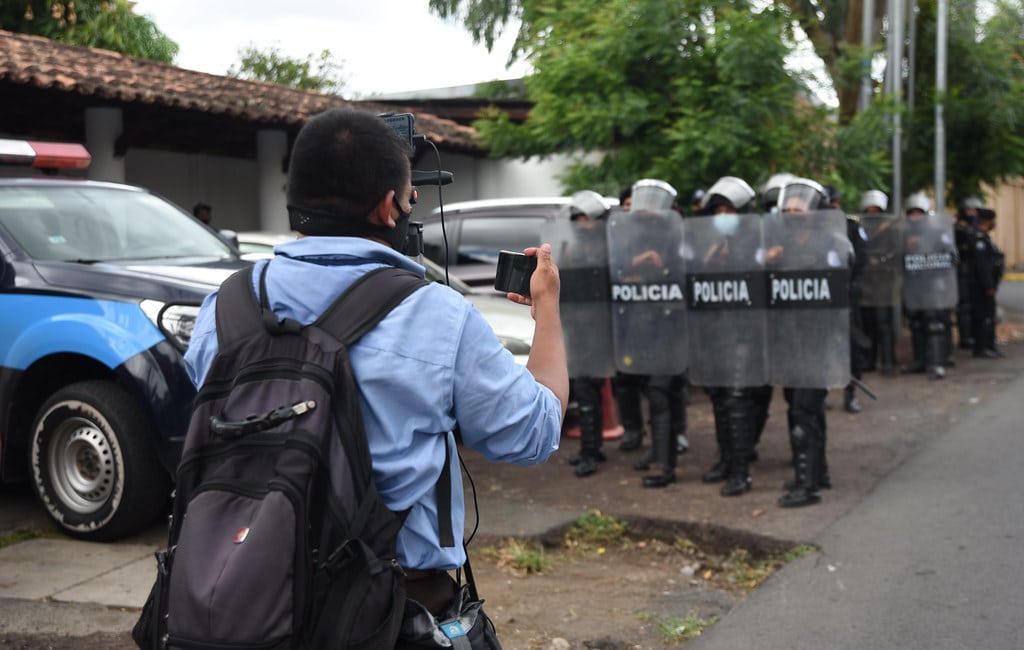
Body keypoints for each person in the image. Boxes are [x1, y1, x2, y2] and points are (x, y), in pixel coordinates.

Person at [183, 107, 568, 634]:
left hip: (244, 601)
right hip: (387, 612)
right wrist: (547, 310)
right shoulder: (437, 315)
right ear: (391, 207)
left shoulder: (224, 307)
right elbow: (535, 432)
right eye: (412, 196)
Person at [693, 175, 761, 496]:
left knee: (737, 400)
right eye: (717, 211)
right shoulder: (707, 245)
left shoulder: (758, 244)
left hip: (744, 334)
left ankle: (741, 470)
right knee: (719, 398)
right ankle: (725, 460)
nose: (722, 217)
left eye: (729, 211)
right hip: (714, 332)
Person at [562, 189, 613, 477]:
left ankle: (591, 452)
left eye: (588, 218)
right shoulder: (571, 246)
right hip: (578, 327)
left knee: (588, 387)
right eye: (578, 218)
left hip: (599, 328)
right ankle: (591, 448)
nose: (583, 224)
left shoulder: (607, 248)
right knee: (583, 389)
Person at [902, 192, 956, 380]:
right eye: (912, 213)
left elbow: (952, 257)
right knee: (916, 325)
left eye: (919, 213)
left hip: (933, 285)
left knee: (934, 325)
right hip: (913, 286)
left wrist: (930, 254)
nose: (915, 217)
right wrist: (906, 249)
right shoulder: (904, 236)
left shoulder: (938, 234)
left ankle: (936, 363)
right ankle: (920, 361)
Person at [824, 184, 868, 413]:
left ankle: (850, 394)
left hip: (846, 293)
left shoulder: (850, 225)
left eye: (836, 202)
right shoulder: (813, 228)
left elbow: (861, 255)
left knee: (851, 345)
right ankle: (819, 392)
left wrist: (847, 281)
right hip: (820, 296)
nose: (834, 207)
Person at [858, 190, 900, 375]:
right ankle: (870, 359)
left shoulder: (890, 230)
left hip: (883, 280)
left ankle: (888, 361)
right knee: (868, 323)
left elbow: (896, 252)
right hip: (865, 280)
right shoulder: (860, 230)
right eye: (870, 210)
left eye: (876, 210)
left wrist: (882, 261)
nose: (873, 214)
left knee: (884, 322)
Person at [969, 207, 1004, 358]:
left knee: (988, 316)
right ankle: (981, 347)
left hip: (986, 284)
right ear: (987, 221)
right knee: (982, 316)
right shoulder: (979, 239)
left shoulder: (984, 237)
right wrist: (988, 285)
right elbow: (982, 266)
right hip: (981, 286)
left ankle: (989, 345)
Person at [954, 197, 983, 349]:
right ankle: (965, 337)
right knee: (964, 306)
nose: (973, 213)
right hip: (963, 270)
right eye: (970, 210)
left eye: (975, 211)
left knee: (974, 304)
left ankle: (975, 335)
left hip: (974, 270)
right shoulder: (959, 228)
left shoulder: (977, 227)